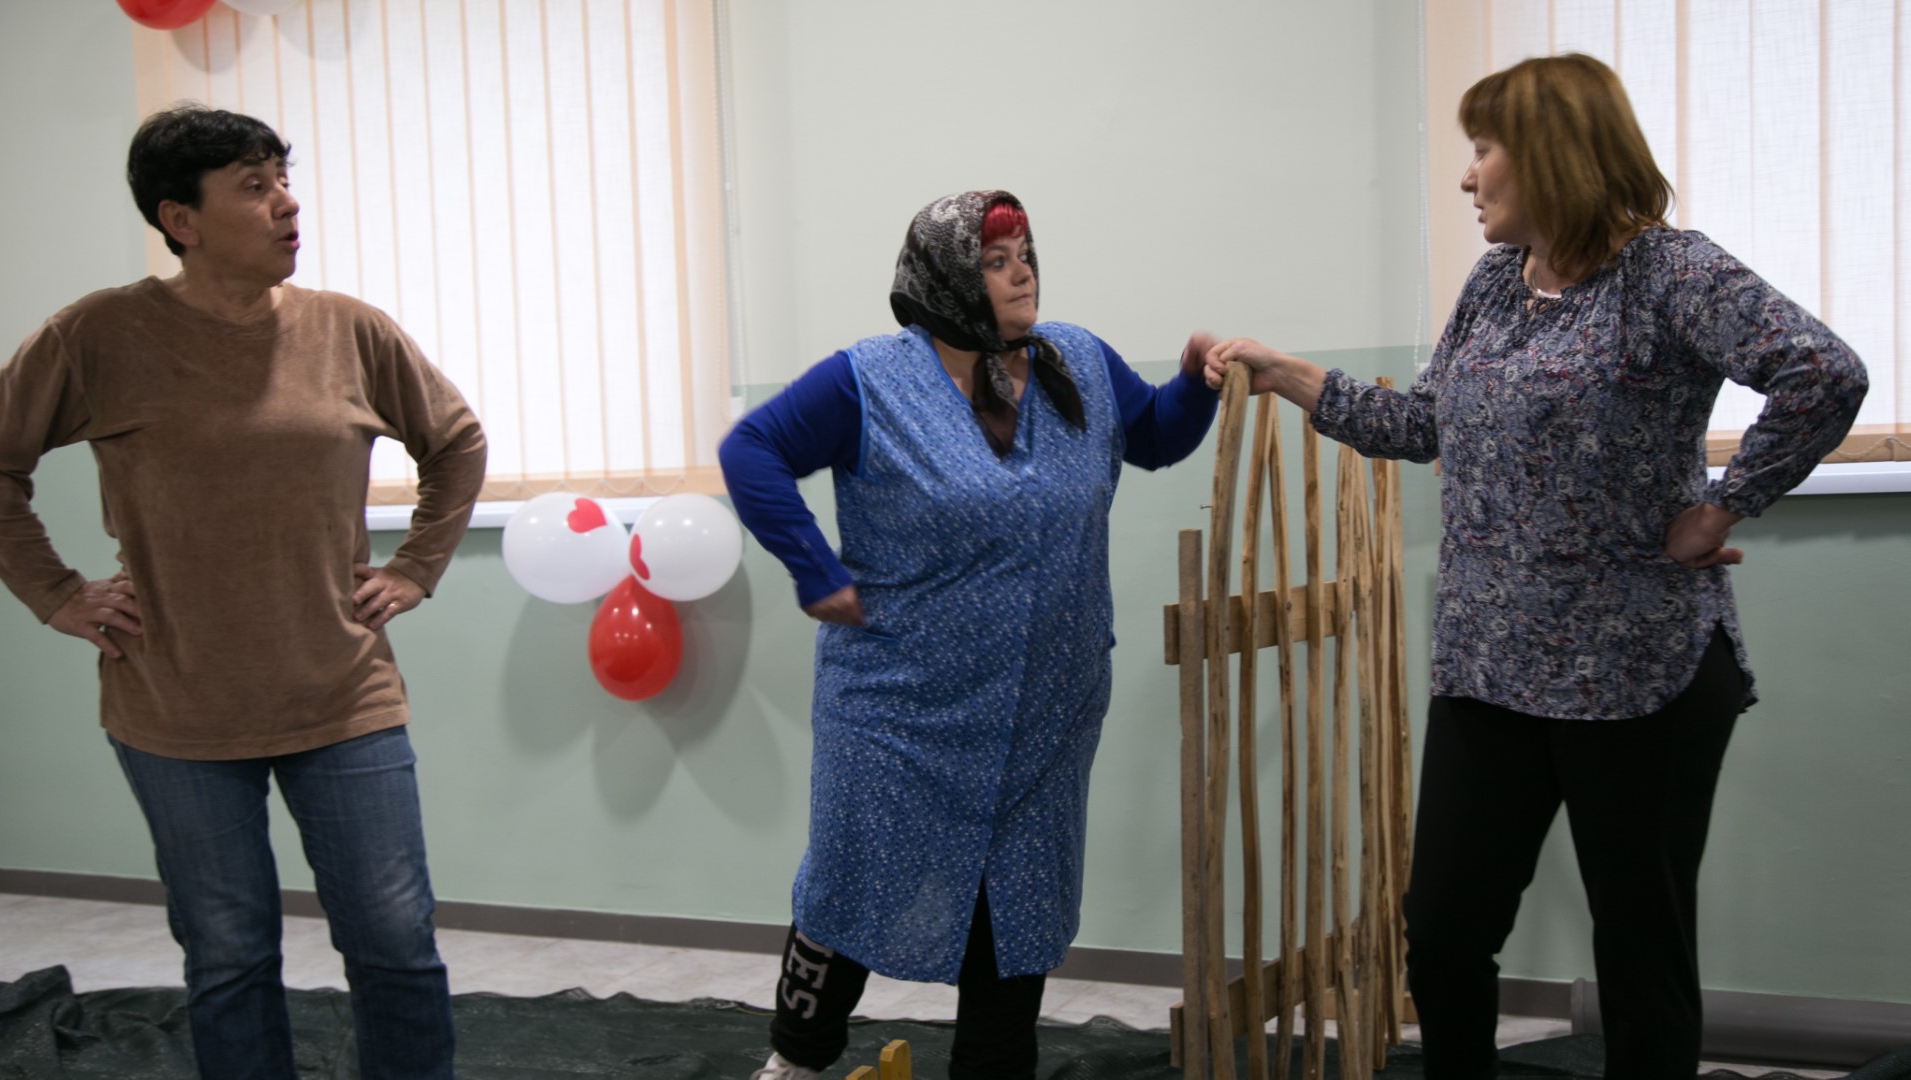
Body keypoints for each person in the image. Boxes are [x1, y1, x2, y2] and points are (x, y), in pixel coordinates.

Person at [1204, 54, 1867, 1080]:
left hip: (1638, 670)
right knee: (1444, 929)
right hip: (1491, 666)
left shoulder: (1669, 273)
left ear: (1553, 154)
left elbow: (1823, 371)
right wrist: (1285, 371)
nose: (1467, 176)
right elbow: (1424, 424)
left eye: (1483, 148)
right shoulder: (1494, 283)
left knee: (1640, 954)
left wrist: (1726, 505)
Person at [0, 105, 486, 1079]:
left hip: (343, 696)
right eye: (253, 187)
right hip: (175, 708)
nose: (286, 203)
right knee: (228, 956)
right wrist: (54, 593)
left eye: (282, 179)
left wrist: (415, 568)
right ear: (180, 219)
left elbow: (455, 442)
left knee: (394, 942)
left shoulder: (348, 330)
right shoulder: (97, 336)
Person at [720, 190, 1220, 1080]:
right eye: (995, 261)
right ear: (945, 279)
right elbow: (751, 450)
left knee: (1016, 917)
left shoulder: (1077, 361)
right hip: (899, 713)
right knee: (850, 887)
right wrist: (815, 568)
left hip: (1044, 717)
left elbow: (1153, 435)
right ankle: (795, 1060)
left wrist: (1192, 386)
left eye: (1025, 254)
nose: (1022, 273)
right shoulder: (869, 380)